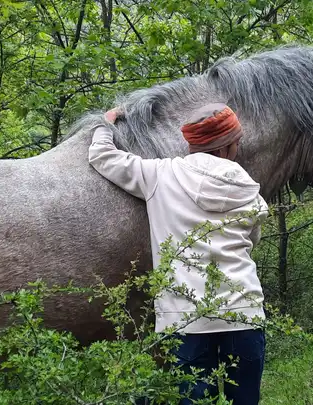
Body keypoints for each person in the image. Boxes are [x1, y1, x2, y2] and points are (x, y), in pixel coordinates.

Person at [87, 103, 268, 404]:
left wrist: (105, 123)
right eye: (236, 141)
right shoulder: (250, 189)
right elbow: (253, 239)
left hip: (185, 319)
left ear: (193, 144)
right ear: (225, 148)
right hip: (244, 313)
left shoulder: (161, 175)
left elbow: (103, 157)